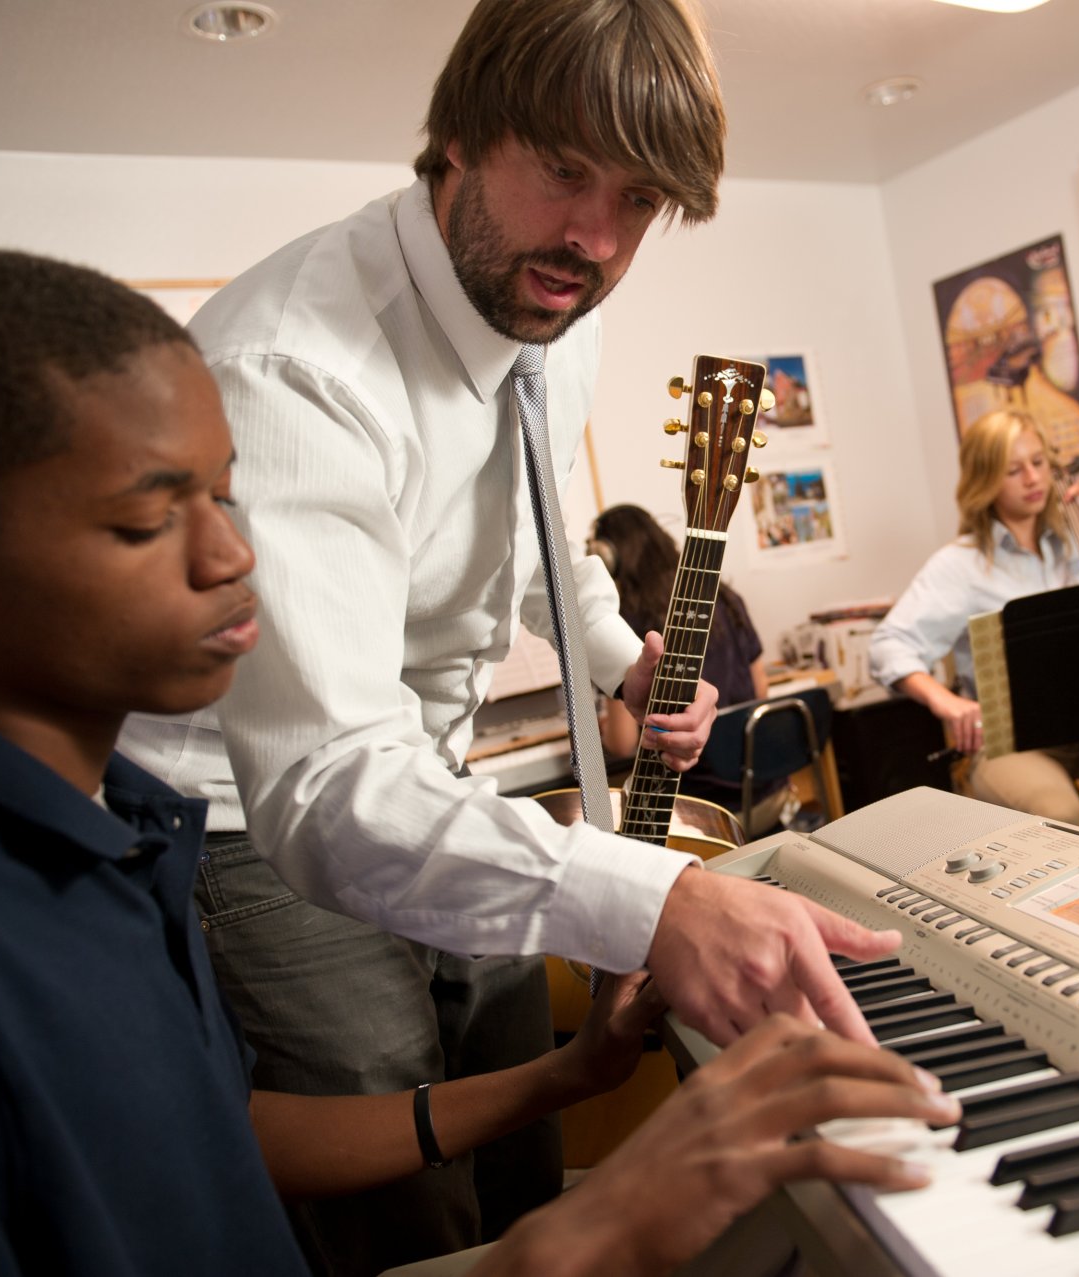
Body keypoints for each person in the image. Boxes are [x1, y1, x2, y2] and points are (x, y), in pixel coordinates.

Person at [0, 247, 959, 1277]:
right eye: (149, 519)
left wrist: (559, 1082)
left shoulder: (121, 824)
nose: (239, 553)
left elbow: (214, 1135)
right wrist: (570, 1243)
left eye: (227, 493)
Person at [115, 1, 899, 1266]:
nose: (593, 238)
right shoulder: (292, 368)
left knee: (533, 1122)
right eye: (564, 170)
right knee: (395, 1172)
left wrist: (620, 653)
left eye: (639, 200)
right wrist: (657, 902)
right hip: (251, 814)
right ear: (464, 137)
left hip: (422, 769)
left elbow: (541, 526)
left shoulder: (555, 316)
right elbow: (324, 787)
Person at [869, 409, 1079, 826]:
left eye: (1038, 463)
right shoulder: (961, 565)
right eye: (1013, 470)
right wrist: (947, 703)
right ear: (984, 480)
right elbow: (888, 645)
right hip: (1014, 744)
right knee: (1058, 813)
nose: (1033, 479)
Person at [589, 504, 794, 834]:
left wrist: (599, 726)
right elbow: (760, 690)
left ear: (608, 558)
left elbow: (622, 743)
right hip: (768, 792)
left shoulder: (624, 620)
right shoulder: (724, 596)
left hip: (702, 812)